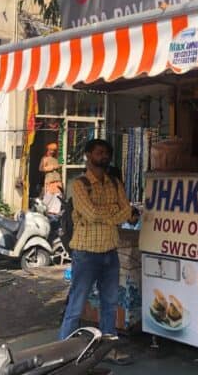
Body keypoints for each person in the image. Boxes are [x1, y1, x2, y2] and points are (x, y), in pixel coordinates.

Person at [58, 138, 137, 363]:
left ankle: (108, 349)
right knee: (77, 303)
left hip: (110, 253)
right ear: (88, 156)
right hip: (85, 254)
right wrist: (116, 213)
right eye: (99, 152)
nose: (103, 156)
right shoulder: (80, 184)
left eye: (106, 153)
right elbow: (92, 213)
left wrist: (113, 213)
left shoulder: (114, 183)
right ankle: (64, 352)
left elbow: (128, 211)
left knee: (110, 304)